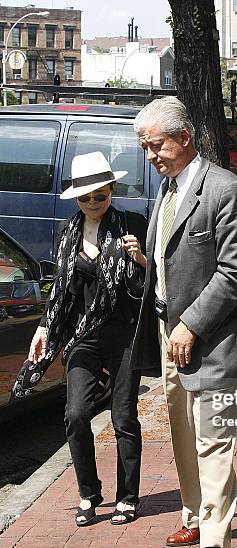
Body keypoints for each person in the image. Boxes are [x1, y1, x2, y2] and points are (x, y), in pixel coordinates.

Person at [130, 97, 237, 548]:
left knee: (212, 439)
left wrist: (191, 324)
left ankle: (215, 547)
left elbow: (233, 273)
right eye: (145, 147)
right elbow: (169, 259)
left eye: (155, 145)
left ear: (184, 139)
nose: (150, 156)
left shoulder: (226, 190)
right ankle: (194, 513)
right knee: (181, 432)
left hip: (213, 338)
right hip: (170, 334)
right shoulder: (166, 191)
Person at [13, 151, 147, 526]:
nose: (92, 203)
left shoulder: (131, 225)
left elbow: (148, 287)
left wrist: (140, 260)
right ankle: (89, 493)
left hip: (123, 335)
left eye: (100, 196)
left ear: (112, 190)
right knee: (76, 414)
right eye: (85, 197)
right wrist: (44, 329)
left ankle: (128, 496)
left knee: (123, 417)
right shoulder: (68, 232)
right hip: (82, 336)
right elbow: (61, 292)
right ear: (75, 198)